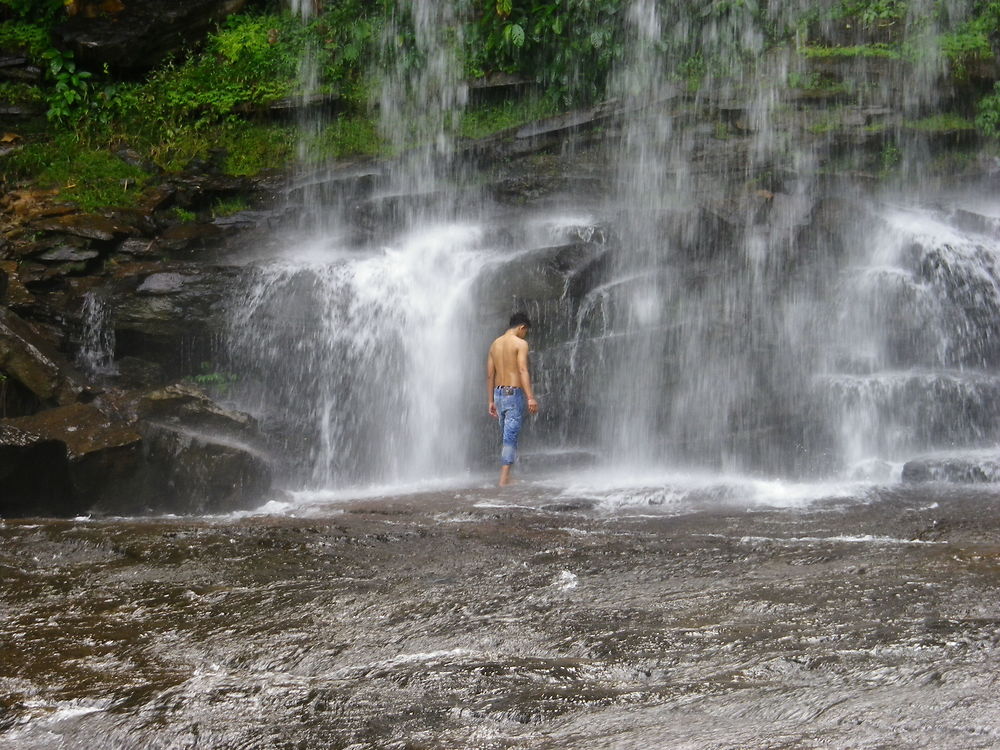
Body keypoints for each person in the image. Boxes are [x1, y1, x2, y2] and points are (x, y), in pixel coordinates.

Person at [487, 312, 539, 486]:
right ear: (522, 327)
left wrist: (491, 401)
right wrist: (530, 397)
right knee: (510, 437)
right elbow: (523, 370)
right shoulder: (520, 344)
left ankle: (507, 476)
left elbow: (490, 374)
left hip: (498, 394)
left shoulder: (494, 344)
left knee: (507, 435)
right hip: (512, 393)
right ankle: (504, 479)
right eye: (526, 331)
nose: (526, 335)